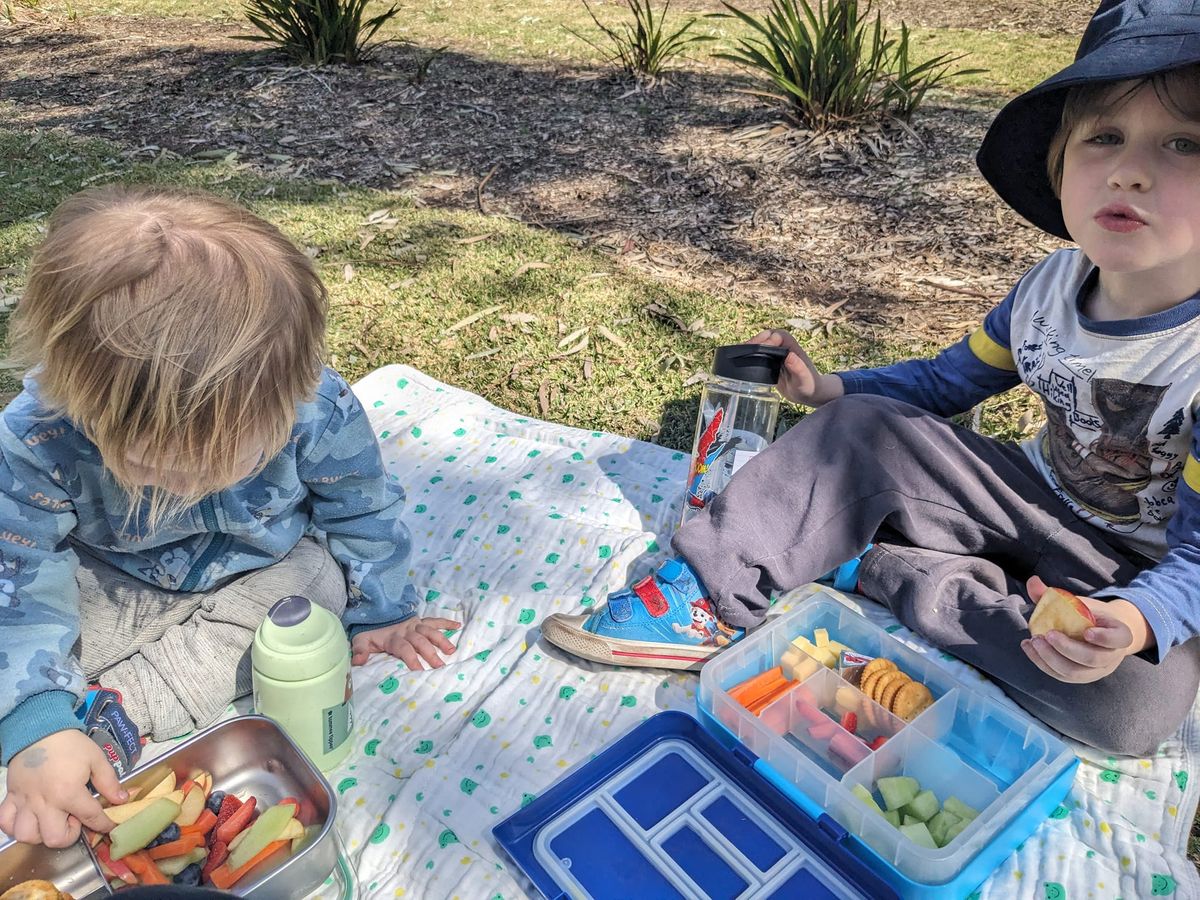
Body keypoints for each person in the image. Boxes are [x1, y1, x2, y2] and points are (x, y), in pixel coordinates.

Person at [544, 0, 1200, 757]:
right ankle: (707, 591)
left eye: (1183, 143)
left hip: (1133, 567)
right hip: (1022, 495)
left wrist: (1132, 625)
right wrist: (829, 391)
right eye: (1105, 138)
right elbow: (943, 382)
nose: (1129, 171)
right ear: (1060, 165)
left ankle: (878, 565)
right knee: (864, 430)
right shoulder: (1047, 290)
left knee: (1135, 709)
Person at [0, 185, 459, 848]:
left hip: (254, 579)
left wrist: (384, 612)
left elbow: (362, 508)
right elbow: (19, 571)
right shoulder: (37, 435)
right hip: (109, 586)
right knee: (21, 613)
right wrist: (36, 725)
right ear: (82, 397)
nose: (192, 482)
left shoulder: (315, 409)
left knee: (316, 589)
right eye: (160, 463)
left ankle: (114, 714)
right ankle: (53, 708)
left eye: (227, 456)